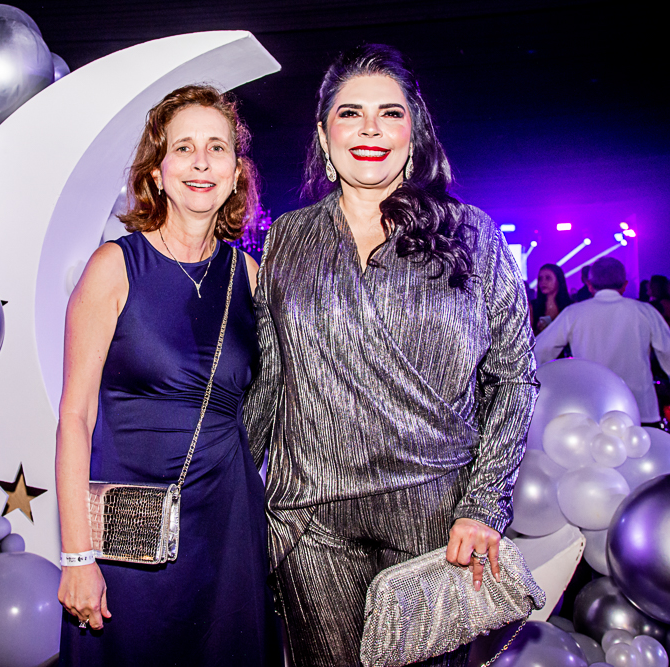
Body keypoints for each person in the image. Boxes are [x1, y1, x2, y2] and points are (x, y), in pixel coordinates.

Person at [243, 44, 537, 667]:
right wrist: (226, 490)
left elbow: (514, 379)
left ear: (414, 132)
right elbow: (269, 381)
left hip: (437, 519)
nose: (370, 129)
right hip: (311, 520)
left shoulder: (471, 235)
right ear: (323, 136)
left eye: (390, 113)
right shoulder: (287, 239)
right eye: (350, 113)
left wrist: (484, 505)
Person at [54, 85, 274, 666]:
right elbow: (75, 417)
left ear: (236, 173)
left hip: (228, 526)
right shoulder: (114, 267)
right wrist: (77, 555)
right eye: (183, 148)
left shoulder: (251, 276)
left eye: (217, 148)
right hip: (129, 531)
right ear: (157, 172)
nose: (201, 163)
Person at [534, 257, 670, 426]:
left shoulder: (574, 313)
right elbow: (668, 350)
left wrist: (543, 379)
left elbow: (541, 349)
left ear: (590, 285)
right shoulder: (644, 311)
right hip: (639, 405)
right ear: (624, 285)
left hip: (592, 404)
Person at [530, 263, 574, 333]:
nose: (543, 282)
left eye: (548, 278)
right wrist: (538, 331)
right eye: (540, 279)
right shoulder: (532, 306)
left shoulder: (570, 306)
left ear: (558, 280)